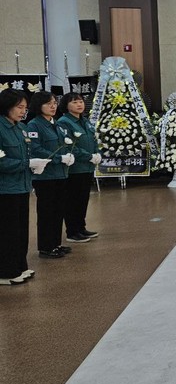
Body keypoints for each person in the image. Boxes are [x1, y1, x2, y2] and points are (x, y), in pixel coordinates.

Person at [0, 89, 49, 285]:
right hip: (5, 189)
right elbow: (2, 162)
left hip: (22, 186)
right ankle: (6, 271)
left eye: (25, 108)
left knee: (21, 229)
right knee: (7, 231)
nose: (23, 112)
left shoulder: (20, 127)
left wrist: (34, 164)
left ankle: (20, 265)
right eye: (19, 107)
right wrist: (26, 164)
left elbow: (26, 153)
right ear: (7, 106)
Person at [26, 91, 75, 259]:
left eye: (54, 103)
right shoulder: (34, 125)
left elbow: (64, 144)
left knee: (58, 210)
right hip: (45, 176)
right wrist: (58, 158)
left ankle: (56, 243)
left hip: (60, 174)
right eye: (48, 103)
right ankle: (46, 247)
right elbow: (36, 149)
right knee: (47, 212)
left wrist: (68, 155)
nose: (53, 106)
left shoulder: (57, 124)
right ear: (38, 106)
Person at [57, 93, 101, 242]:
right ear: (66, 105)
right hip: (74, 168)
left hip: (87, 167)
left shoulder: (85, 121)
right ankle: (72, 231)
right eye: (74, 102)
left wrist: (97, 153)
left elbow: (93, 139)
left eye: (80, 101)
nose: (79, 104)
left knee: (83, 199)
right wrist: (88, 156)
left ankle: (81, 227)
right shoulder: (64, 122)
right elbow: (69, 146)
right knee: (72, 200)